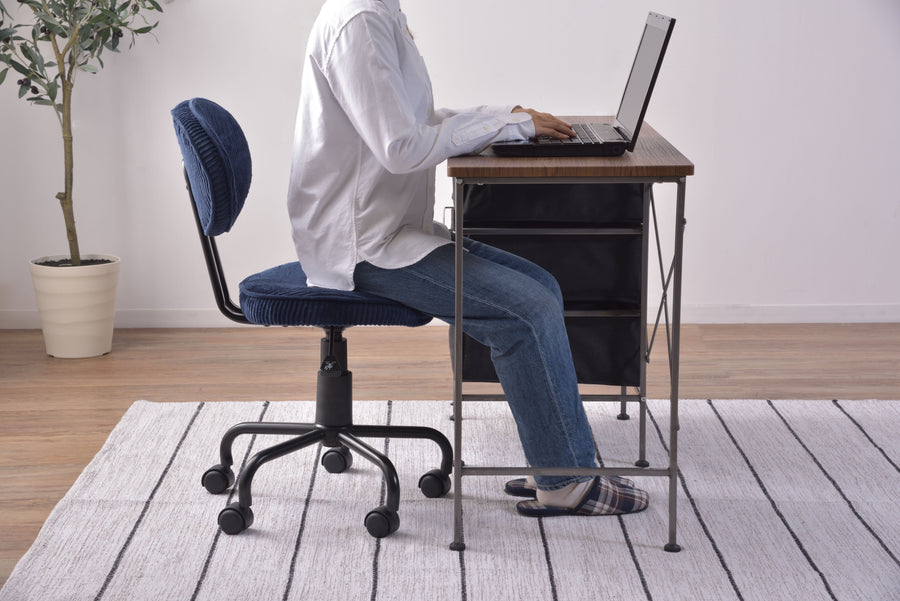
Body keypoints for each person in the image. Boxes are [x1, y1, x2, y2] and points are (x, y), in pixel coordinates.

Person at [287, 0, 648, 517]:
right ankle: (566, 482)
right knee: (525, 310)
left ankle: (557, 462)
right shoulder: (358, 20)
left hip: (388, 228)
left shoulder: (380, 12)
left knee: (541, 287)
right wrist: (503, 124)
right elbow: (400, 147)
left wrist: (509, 121)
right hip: (362, 245)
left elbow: (419, 120)